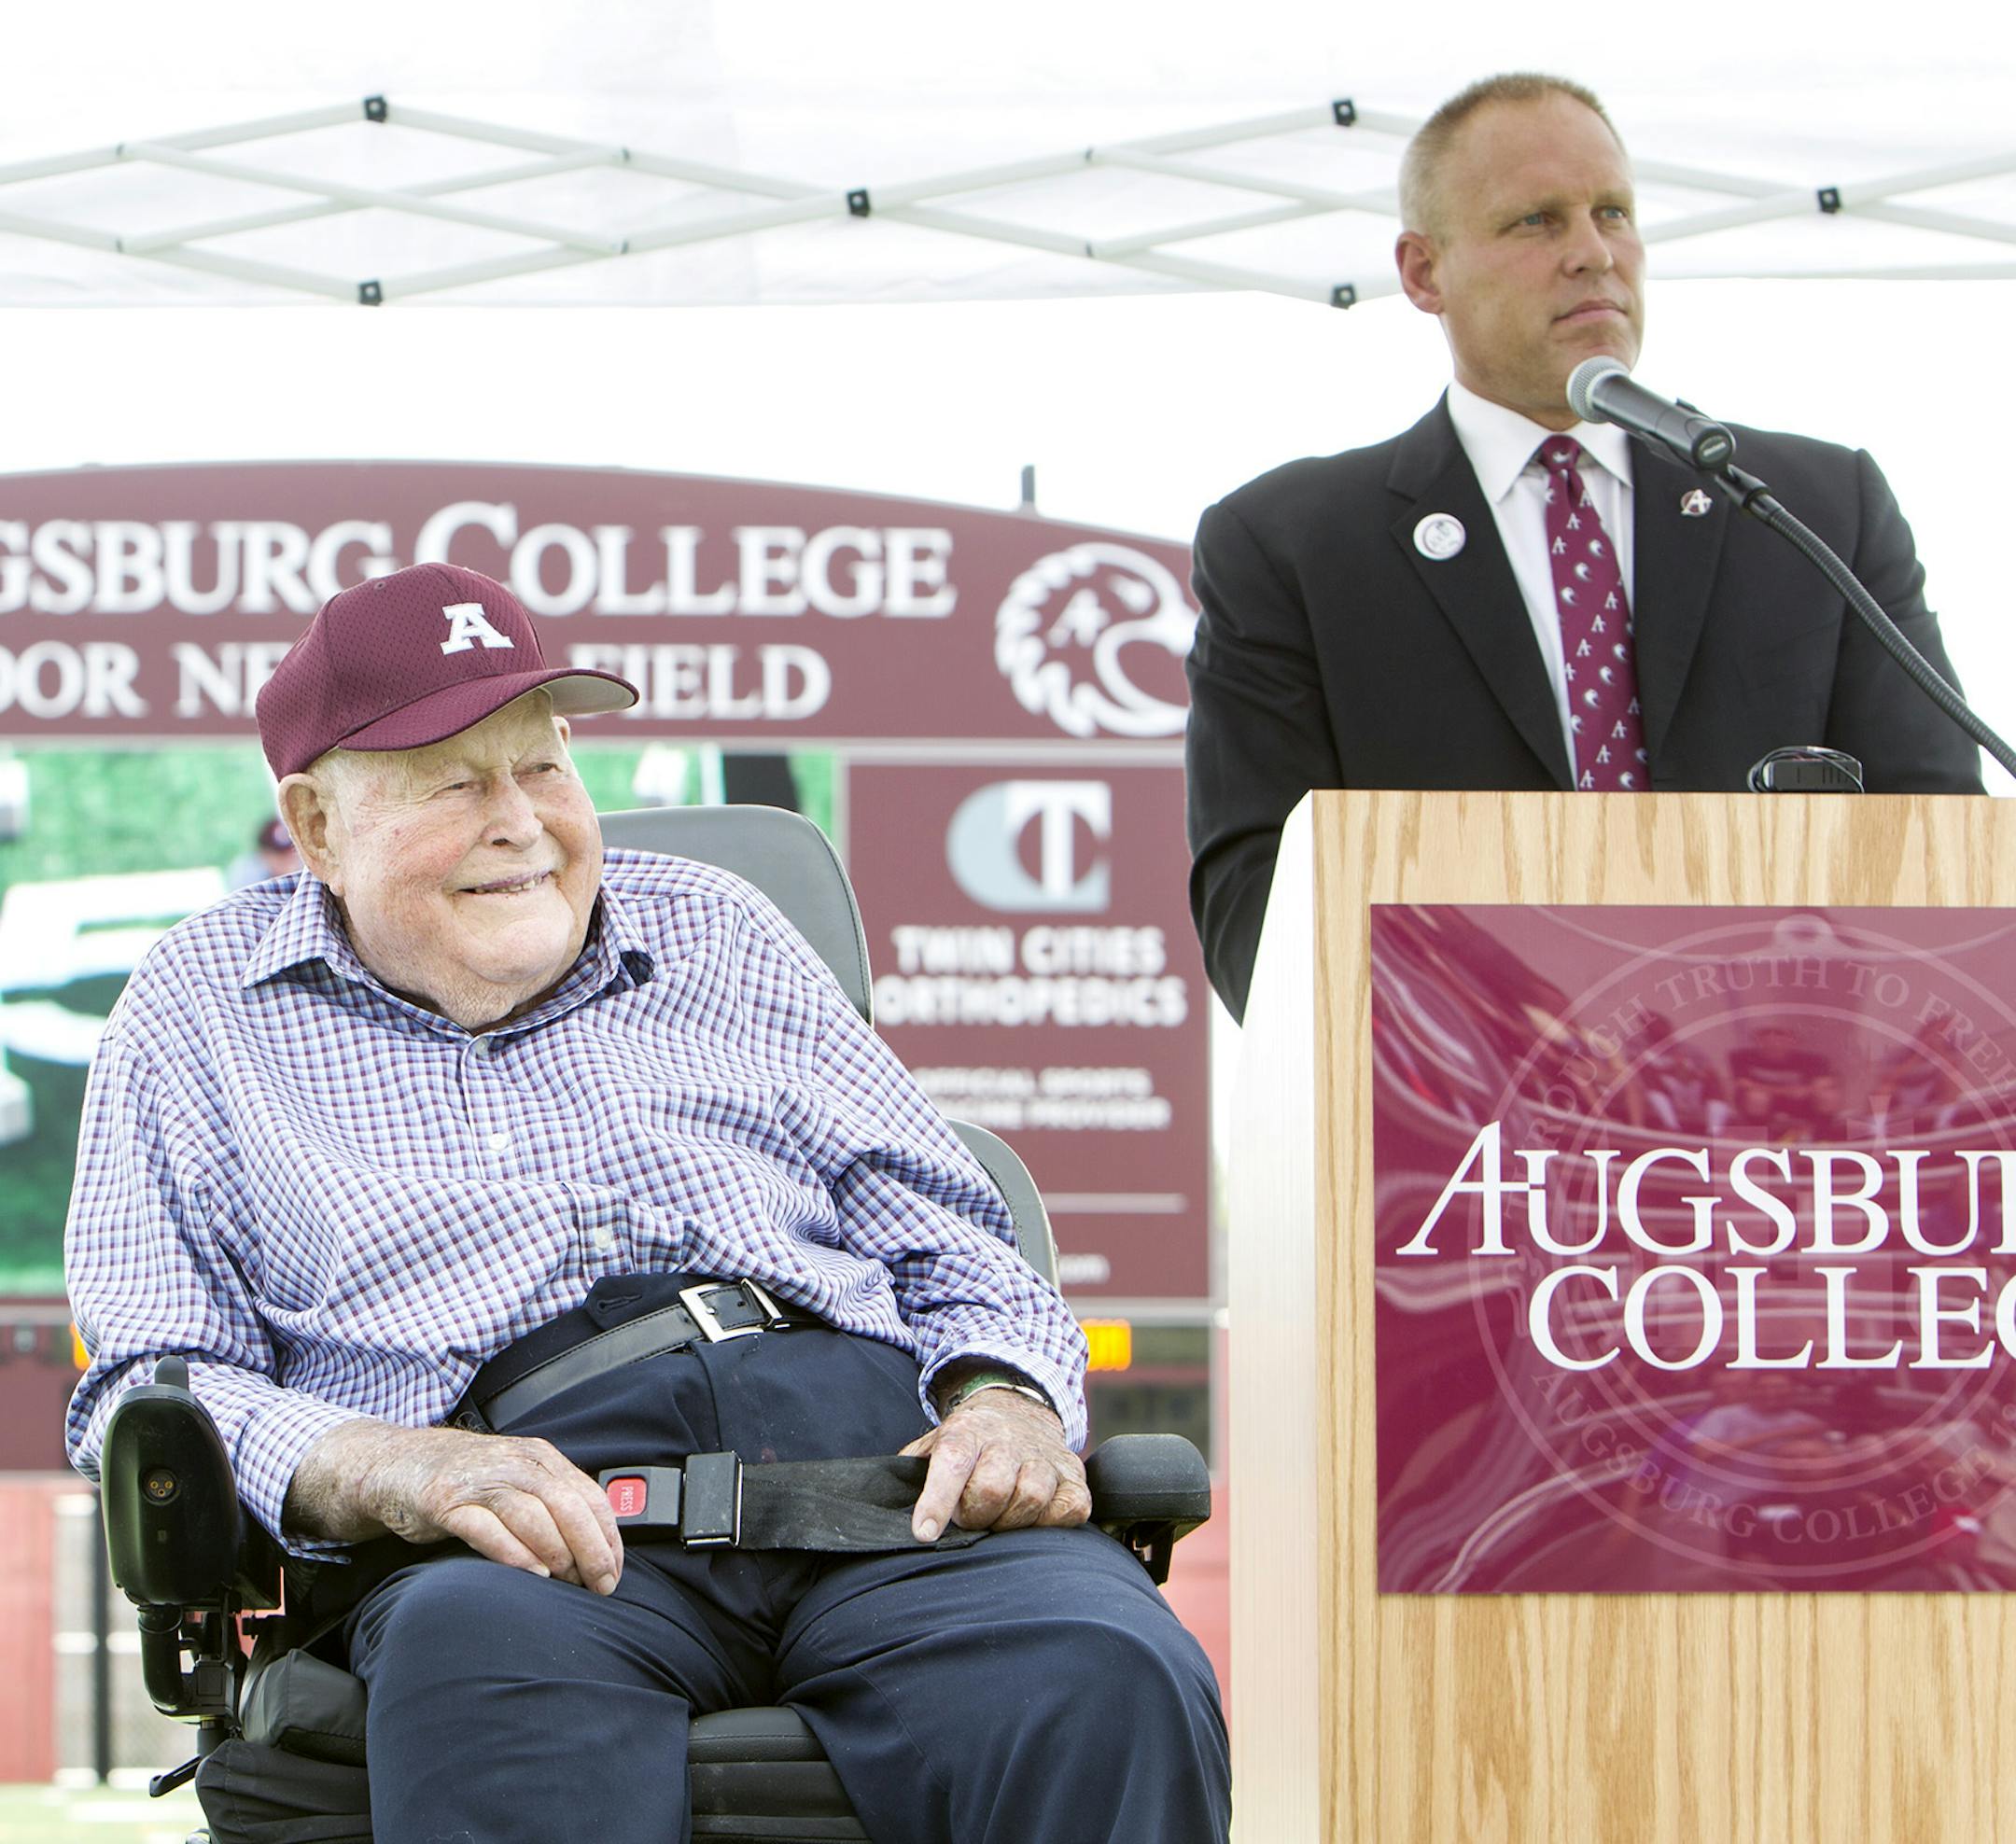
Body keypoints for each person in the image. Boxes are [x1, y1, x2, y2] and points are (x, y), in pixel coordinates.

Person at [64, 562, 1229, 1842]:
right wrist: (378, 1464)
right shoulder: (195, 1013)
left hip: (875, 1479)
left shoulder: (719, 931)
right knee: (483, 1676)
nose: (519, 820)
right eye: (455, 779)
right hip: (526, 1531)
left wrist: (1005, 1398)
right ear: (319, 823)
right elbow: (149, 1382)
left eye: (545, 766)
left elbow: (953, 1233)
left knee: (1107, 1667)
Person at [1183, 71, 1983, 1023]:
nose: (1594, 253)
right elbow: (1253, 909)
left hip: (1782, 1117)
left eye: (1614, 212)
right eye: (1537, 221)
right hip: (1454, 1131)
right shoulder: (1290, 545)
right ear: (1423, 271)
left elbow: (1944, 849)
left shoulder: (1814, 507)